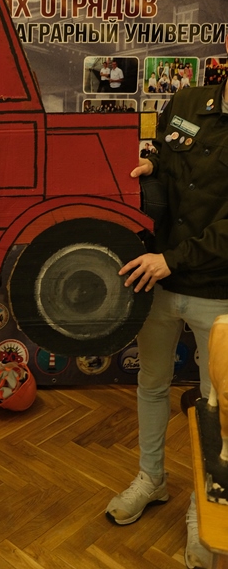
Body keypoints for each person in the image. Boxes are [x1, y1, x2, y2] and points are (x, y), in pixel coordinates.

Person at [105, 68, 228, 569]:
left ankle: (205, 507)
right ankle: (151, 478)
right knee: (151, 385)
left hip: (216, 291)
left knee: (216, 410)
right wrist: (151, 164)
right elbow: (161, 153)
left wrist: (171, 260)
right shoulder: (188, 100)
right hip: (156, 280)